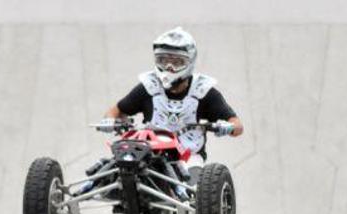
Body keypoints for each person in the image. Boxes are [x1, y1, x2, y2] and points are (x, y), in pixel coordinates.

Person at [101, 26, 243, 168]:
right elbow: (116, 111)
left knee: (194, 177)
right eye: (163, 60)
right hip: (151, 152)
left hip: (189, 156)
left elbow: (238, 126)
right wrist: (109, 120)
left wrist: (227, 127)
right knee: (117, 166)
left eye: (177, 62)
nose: (169, 67)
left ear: (189, 62)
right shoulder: (149, 86)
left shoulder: (203, 90)